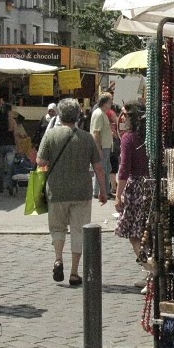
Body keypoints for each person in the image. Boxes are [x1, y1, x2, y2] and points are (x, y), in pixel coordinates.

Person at [37, 97, 107, 286]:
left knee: (57, 228)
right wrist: (103, 190)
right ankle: (75, 272)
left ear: (59, 115)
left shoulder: (50, 136)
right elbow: (99, 167)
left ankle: (58, 259)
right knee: (79, 231)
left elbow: (40, 162)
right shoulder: (87, 138)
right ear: (78, 116)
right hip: (81, 192)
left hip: (56, 190)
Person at [114, 103, 153, 288]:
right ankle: (149, 274)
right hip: (153, 185)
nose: (120, 119)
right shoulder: (151, 136)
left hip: (137, 187)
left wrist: (118, 194)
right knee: (149, 233)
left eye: (123, 115)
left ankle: (151, 270)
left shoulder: (128, 139)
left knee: (135, 234)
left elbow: (124, 168)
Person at [89, 92, 114, 200]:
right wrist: (98, 148)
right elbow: (96, 132)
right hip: (102, 147)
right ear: (104, 103)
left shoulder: (102, 113)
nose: (111, 104)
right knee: (101, 169)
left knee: (107, 169)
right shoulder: (99, 114)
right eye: (110, 102)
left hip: (106, 146)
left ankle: (106, 191)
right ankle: (97, 191)